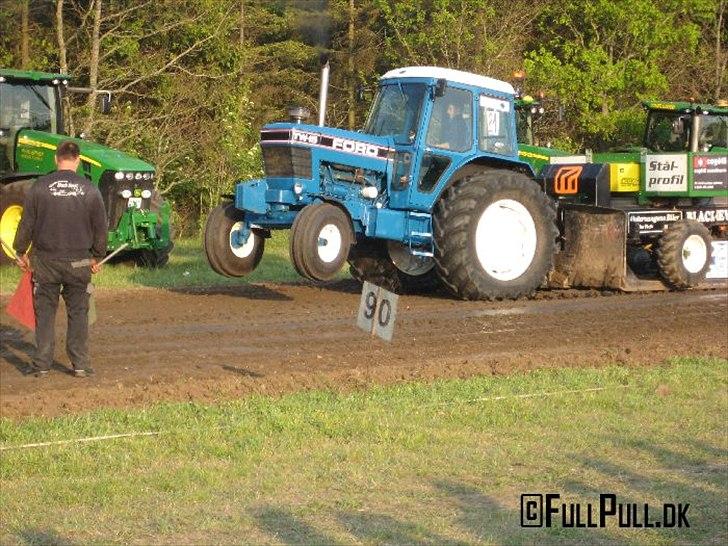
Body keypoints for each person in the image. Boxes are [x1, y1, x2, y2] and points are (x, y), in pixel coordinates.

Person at [13, 140, 107, 378]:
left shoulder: (38, 187)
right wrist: (97, 256)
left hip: (46, 262)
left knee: (44, 312)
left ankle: (42, 364)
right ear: (78, 160)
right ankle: (81, 365)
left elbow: (27, 224)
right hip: (79, 263)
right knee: (79, 312)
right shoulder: (90, 189)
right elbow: (100, 228)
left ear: (56, 159)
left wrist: (20, 250)